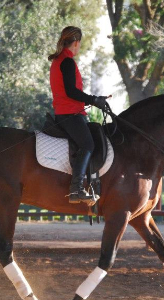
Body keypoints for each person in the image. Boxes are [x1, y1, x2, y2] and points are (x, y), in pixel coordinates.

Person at [48, 26, 107, 204]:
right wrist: (94, 100)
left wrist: (93, 99)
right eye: (79, 44)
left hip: (66, 112)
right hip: (70, 113)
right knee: (88, 144)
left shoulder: (60, 60)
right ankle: (76, 189)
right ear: (76, 43)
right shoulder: (67, 61)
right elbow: (71, 92)